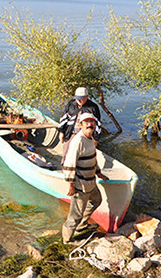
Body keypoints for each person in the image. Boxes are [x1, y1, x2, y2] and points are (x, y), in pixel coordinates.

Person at [62, 112, 108, 244]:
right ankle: (67, 240)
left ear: (95, 124)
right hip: (80, 186)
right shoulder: (78, 141)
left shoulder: (90, 140)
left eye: (91, 122)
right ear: (80, 125)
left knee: (96, 200)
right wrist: (71, 185)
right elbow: (69, 164)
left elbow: (93, 159)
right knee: (74, 216)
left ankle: (82, 225)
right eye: (86, 122)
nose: (89, 124)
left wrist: (99, 173)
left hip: (90, 183)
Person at [57, 87, 101, 164]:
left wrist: (95, 139)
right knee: (66, 153)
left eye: (81, 98)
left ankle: (80, 171)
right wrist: (61, 132)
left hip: (85, 136)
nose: (79, 100)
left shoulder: (93, 108)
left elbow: (98, 124)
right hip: (71, 133)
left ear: (86, 97)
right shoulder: (71, 104)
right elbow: (64, 118)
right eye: (77, 98)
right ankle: (65, 168)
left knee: (83, 155)